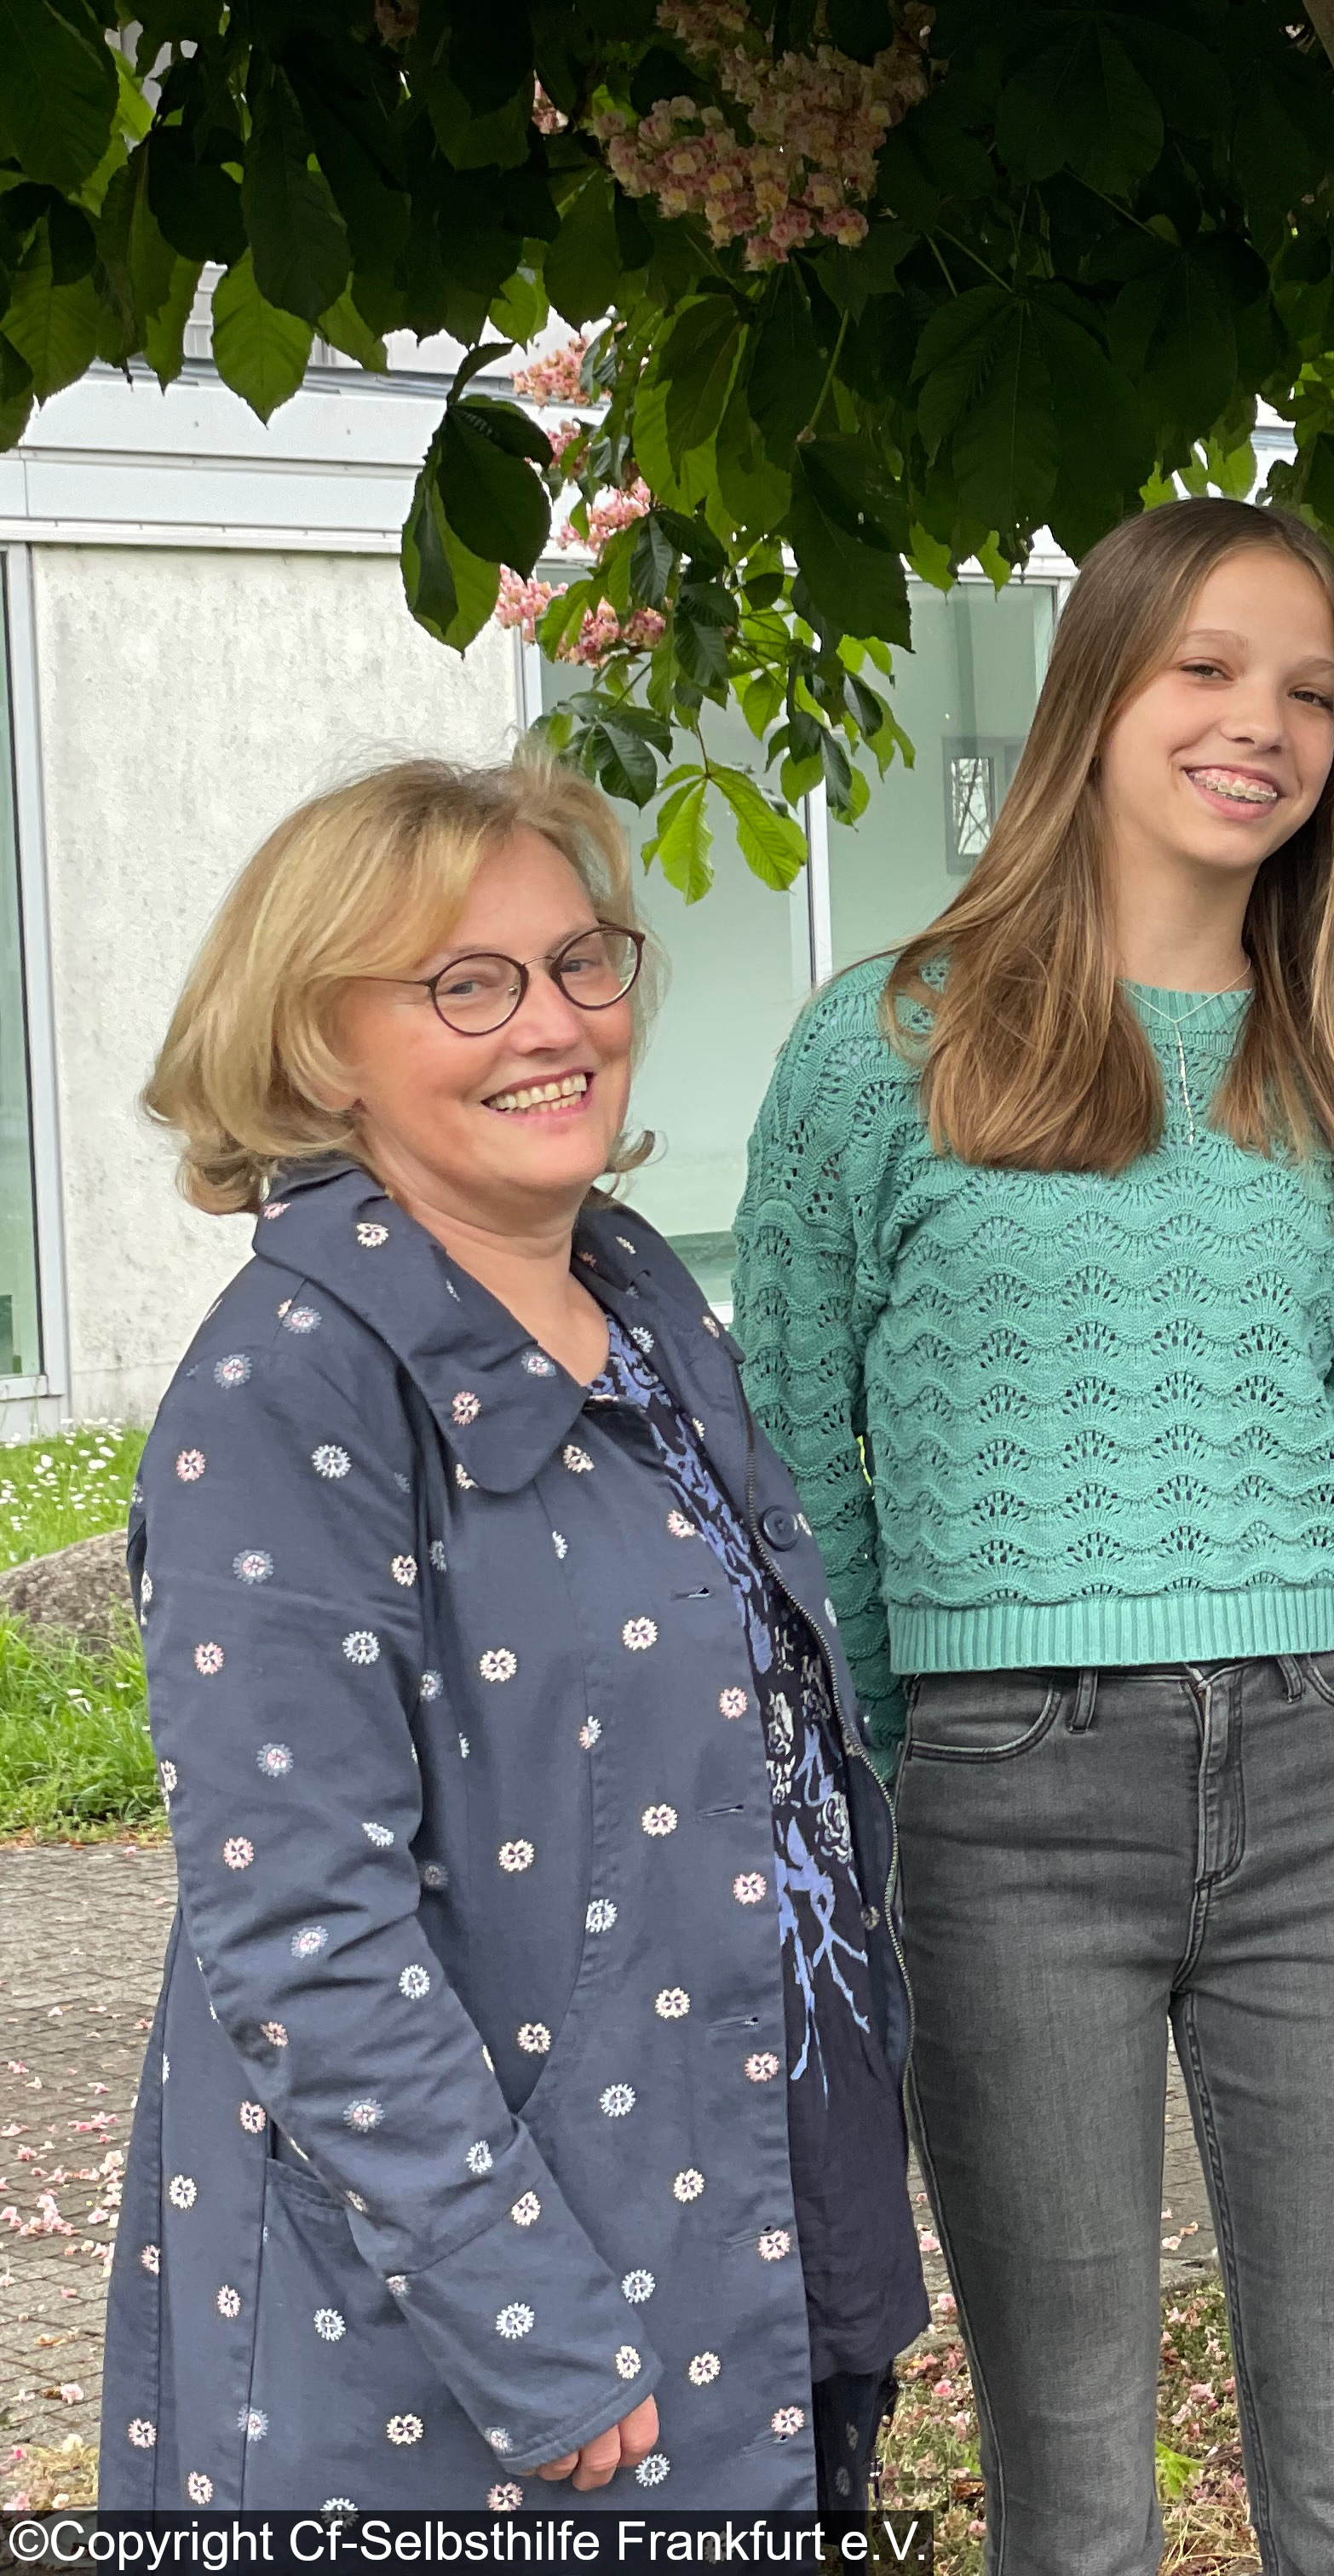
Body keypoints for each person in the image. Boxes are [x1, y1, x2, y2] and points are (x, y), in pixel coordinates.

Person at [731, 497, 1334, 2576]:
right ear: (1097, 692)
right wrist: (890, 1779)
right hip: (1001, 1797)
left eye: (1313, 691)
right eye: (1210, 669)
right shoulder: (887, 1048)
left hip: (1327, 1780)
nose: (1267, 724)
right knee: (1070, 2471)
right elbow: (793, 1474)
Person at [103, 758, 923, 2511]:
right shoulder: (288, 1387)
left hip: (749, 2230)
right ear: (321, 1047)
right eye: (467, 984)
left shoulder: (637, 1305)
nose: (551, 1023)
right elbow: (303, 1931)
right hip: (479, 2344)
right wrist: (526, 2318)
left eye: (581, 964)